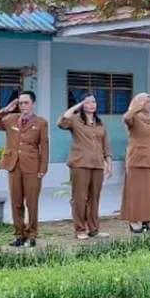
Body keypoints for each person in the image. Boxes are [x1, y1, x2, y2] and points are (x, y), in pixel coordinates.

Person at [0, 91, 48, 247]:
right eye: (20, 103)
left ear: (33, 104)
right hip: (13, 165)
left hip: (33, 166)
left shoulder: (41, 122)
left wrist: (43, 168)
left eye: (26, 102)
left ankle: (32, 234)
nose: (23, 106)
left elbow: (44, 146)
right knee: (16, 202)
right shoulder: (10, 119)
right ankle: (19, 234)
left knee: (32, 202)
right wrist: (6, 109)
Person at [58, 95, 112, 240]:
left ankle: (94, 229)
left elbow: (105, 145)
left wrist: (109, 163)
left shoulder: (100, 123)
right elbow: (62, 121)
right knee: (79, 198)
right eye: (87, 102)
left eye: (94, 101)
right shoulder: (75, 120)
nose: (91, 104)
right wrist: (77, 106)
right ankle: (80, 230)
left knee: (94, 198)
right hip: (80, 164)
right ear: (82, 104)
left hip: (97, 165)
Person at [121, 93, 150, 233]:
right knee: (136, 192)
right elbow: (126, 118)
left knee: (149, 192)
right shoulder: (134, 118)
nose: (149, 104)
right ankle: (134, 220)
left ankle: (147, 219)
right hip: (137, 160)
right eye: (146, 101)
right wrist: (134, 108)